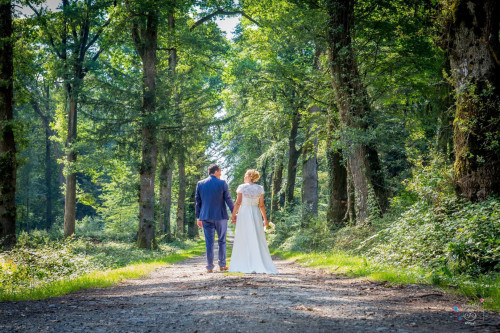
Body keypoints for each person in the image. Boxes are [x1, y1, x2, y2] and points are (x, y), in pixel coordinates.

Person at [229, 169, 279, 274]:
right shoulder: (260, 188)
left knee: (243, 236)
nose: (244, 177)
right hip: (256, 213)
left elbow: (238, 203)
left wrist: (233, 215)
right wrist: (265, 219)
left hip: (244, 212)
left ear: (249, 176)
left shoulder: (242, 187)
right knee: (257, 236)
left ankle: (244, 263)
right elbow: (261, 205)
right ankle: (258, 261)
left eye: (245, 175)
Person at [195, 164, 234, 273]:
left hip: (206, 216)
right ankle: (222, 265)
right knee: (222, 241)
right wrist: (234, 213)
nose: (221, 174)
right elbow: (229, 200)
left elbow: (198, 202)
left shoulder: (200, 184)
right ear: (216, 171)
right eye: (220, 171)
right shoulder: (222, 183)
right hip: (220, 216)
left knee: (209, 242)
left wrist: (198, 217)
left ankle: (210, 267)